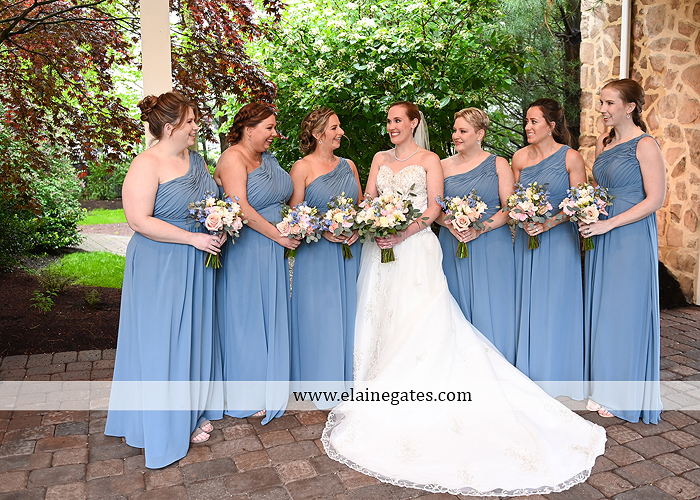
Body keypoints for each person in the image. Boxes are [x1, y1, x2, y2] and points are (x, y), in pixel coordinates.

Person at [321, 101, 606, 496]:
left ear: (414, 124)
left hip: (423, 247)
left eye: (397, 120)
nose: (391, 126)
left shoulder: (442, 161)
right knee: (378, 312)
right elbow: (385, 202)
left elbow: (446, 205)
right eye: (388, 121)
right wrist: (374, 222)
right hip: (385, 249)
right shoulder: (386, 159)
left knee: (425, 315)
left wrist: (412, 230)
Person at [105, 92, 224, 468]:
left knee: (192, 337)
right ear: (170, 127)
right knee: (163, 341)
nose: (196, 126)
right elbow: (138, 220)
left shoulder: (196, 160)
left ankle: (187, 413)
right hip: (161, 262)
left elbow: (210, 202)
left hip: (198, 259)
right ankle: (159, 425)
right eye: (190, 121)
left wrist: (219, 222)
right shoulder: (147, 163)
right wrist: (193, 238)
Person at [579, 79, 665, 423]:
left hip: (629, 236)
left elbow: (655, 200)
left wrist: (609, 224)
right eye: (601, 103)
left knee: (624, 311)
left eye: (610, 103)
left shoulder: (645, 145)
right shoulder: (604, 142)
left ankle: (623, 396)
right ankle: (603, 386)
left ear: (630, 107)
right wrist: (586, 210)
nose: (603, 109)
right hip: (601, 232)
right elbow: (599, 189)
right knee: (602, 308)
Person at [213, 103, 298, 424]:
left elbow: (283, 196)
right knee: (247, 317)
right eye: (269, 128)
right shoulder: (233, 158)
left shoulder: (268, 159)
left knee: (269, 312)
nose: (275, 134)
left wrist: (296, 223)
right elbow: (242, 208)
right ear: (249, 129)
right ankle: (246, 393)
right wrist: (279, 236)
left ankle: (268, 384)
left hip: (273, 246)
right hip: (248, 249)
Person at [511, 98, 587, 399]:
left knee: (557, 305)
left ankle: (560, 377)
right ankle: (531, 376)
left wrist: (548, 223)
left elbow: (580, 203)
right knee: (529, 304)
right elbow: (513, 202)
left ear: (551, 126)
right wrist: (523, 218)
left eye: (534, 121)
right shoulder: (519, 158)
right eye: (527, 122)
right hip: (527, 241)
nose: (528, 127)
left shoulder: (571, 158)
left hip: (559, 243)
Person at [288, 108, 362, 407]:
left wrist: (358, 228)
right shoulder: (301, 168)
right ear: (318, 134)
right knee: (321, 317)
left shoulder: (349, 165)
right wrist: (323, 228)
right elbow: (295, 215)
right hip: (317, 254)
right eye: (334, 127)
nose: (340, 131)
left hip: (351, 251)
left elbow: (359, 205)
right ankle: (322, 384)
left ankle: (350, 380)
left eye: (339, 126)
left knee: (352, 315)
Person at [438, 108, 516, 363]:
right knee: (455, 304)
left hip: (492, 244)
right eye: (455, 130)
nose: (456, 136)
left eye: (463, 131)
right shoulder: (442, 166)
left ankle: (497, 366)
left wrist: (479, 228)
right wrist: (451, 225)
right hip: (453, 242)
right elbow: (434, 209)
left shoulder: (498, 163)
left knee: (492, 304)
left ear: (480, 134)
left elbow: (509, 208)